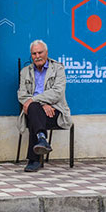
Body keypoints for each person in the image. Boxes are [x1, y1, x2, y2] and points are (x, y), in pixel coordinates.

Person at [17, 39, 72, 172]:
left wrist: (36, 101)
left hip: (54, 112)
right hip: (35, 111)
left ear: (46, 52)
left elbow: (57, 93)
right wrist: (41, 105)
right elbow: (21, 94)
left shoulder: (58, 68)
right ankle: (41, 138)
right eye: (34, 54)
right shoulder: (25, 72)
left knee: (33, 111)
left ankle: (34, 159)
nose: (37, 56)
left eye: (40, 52)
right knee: (34, 110)